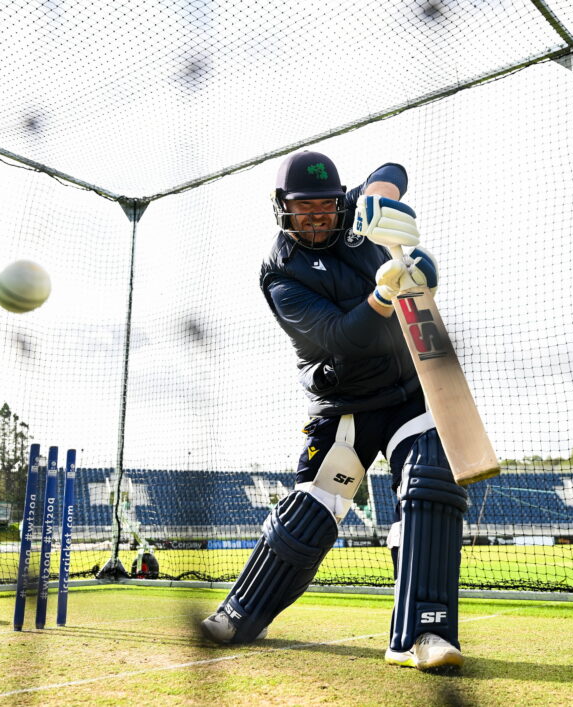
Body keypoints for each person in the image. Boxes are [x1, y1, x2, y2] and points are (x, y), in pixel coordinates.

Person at [199, 150, 465, 672]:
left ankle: (424, 634)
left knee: (432, 485)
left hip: (411, 386)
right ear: (283, 210)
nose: (318, 219)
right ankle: (241, 614)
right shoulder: (281, 275)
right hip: (344, 399)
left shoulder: (356, 214)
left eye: (326, 206)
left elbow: (393, 171)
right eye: (305, 210)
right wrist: (386, 292)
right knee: (313, 508)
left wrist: (379, 196)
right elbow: (340, 339)